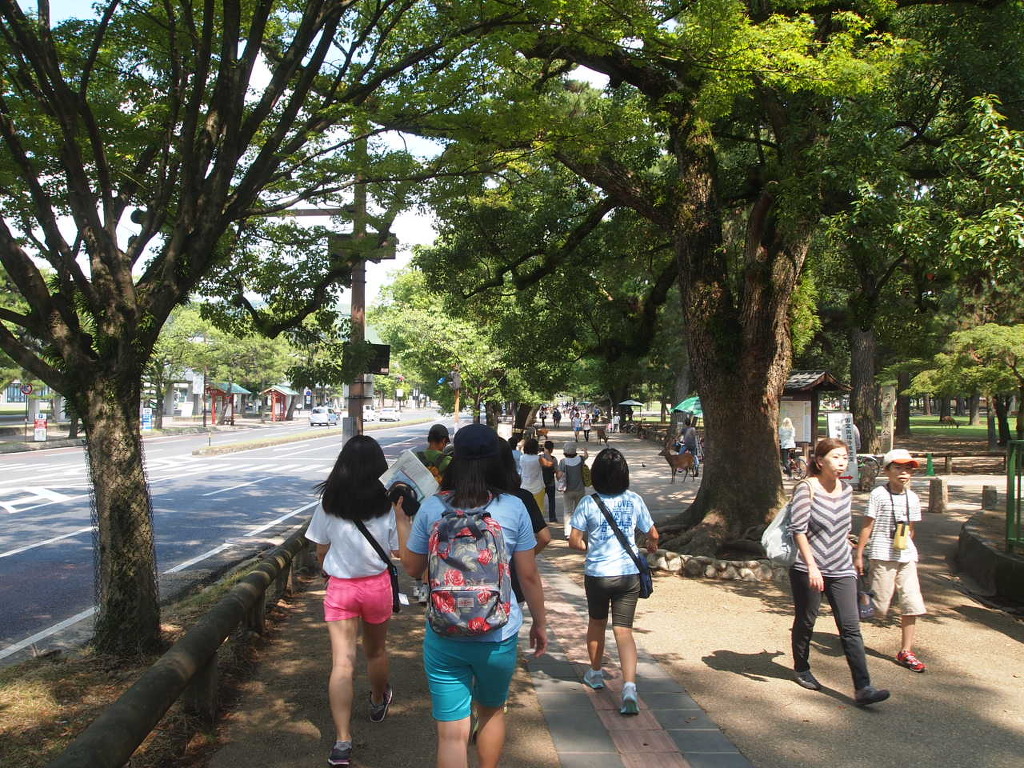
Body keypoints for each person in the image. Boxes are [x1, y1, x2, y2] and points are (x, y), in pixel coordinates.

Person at [396, 424, 547, 768]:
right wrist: (540, 623)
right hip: (499, 633)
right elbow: (528, 575)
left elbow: (413, 567)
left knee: (451, 735)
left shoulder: (433, 508)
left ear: (456, 460)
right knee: (491, 713)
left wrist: (402, 521)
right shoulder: (513, 507)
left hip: (445, 632)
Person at [306, 435, 398, 767]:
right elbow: (397, 550)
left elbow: (321, 550)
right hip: (376, 587)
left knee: (342, 664)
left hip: (341, 589)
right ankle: (377, 700)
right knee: (376, 651)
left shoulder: (329, 503)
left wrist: (329, 570)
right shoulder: (388, 504)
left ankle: (342, 741)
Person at [787, 437, 890, 706]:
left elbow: (843, 528)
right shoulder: (807, 488)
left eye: (844, 457)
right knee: (806, 620)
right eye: (835, 457)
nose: (842, 462)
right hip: (809, 567)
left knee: (851, 627)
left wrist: (854, 553)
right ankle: (801, 667)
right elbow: (798, 530)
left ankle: (863, 687)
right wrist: (812, 566)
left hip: (841, 566)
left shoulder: (846, 489)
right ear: (820, 461)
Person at [568, 448, 659, 715]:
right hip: (627, 574)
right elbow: (653, 534)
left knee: (596, 623)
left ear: (596, 475)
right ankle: (629, 687)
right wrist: (651, 545)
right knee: (624, 631)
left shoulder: (588, 503)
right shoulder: (634, 500)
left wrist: (589, 548)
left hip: (598, 574)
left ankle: (596, 674)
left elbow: (574, 541)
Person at [855, 449, 928, 673]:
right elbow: (867, 525)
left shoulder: (912, 498)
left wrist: (905, 541)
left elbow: (912, 529)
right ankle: (851, 621)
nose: (903, 473)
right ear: (887, 471)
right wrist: (859, 554)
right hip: (882, 554)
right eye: (898, 468)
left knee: (911, 602)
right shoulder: (878, 495)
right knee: (879, 607)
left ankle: (906, 651)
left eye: (908, 469)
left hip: (906, 556)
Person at [494, 438, 552, 602]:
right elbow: (545, 537)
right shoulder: (521, 499)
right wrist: (525, 555)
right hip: (512, 584)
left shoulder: (452, 501)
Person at [412, 424, 454, 604]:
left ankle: (418, 588)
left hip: (416, 507)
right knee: (433, 547)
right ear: (443, 441)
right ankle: (427, 587)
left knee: (419, 547)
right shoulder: (447, 461)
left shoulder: (415, 457)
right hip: (438, 507)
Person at [557, 442, 588, 538]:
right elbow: (586, 457)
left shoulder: (563, 461)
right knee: (579, 511)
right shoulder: (580, 459)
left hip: (568, 490)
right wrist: (585, 451)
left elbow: (559, 475)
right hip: (580, 489)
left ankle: (568, 533)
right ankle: (578, 531)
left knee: (568, 512)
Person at [518, 437, 547, 512]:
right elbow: (549, 464)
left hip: (524, 486)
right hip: (538, 487)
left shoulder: (522, 458)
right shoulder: (539, 459)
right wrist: (547, 452)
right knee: (539, 509)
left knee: (526, 509)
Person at [540, 440, 558, 522]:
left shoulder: (540, 458)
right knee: (551, 500)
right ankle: (552, 517)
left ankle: (540, 517)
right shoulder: (554, 459)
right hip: (551, 482)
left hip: (541, 482)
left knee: (540, 501)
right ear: (552, 449)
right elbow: (556, 470)